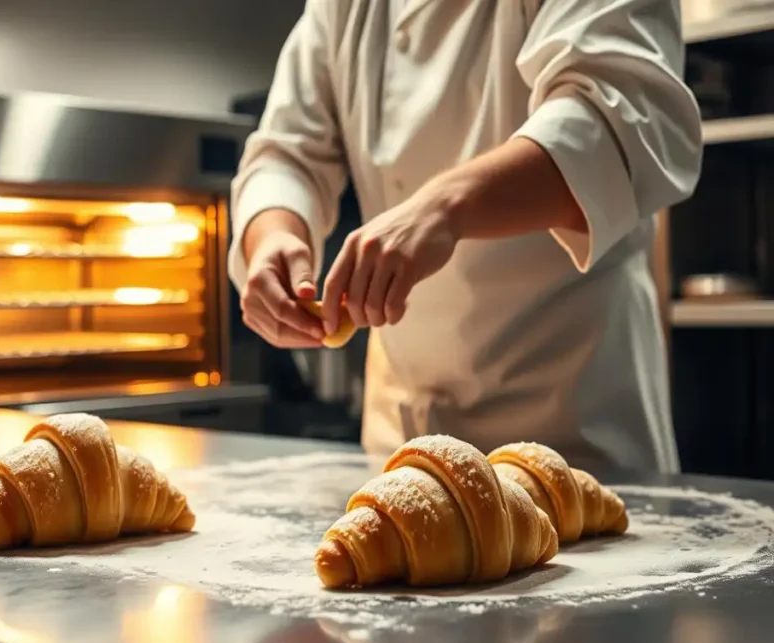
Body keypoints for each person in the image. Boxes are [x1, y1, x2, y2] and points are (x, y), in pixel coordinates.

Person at [227, 0, 703, 473]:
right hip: (402, 443)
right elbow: (286, 152)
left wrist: (444, 205)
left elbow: (618, 116)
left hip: (568, 427)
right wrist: (273, 236)